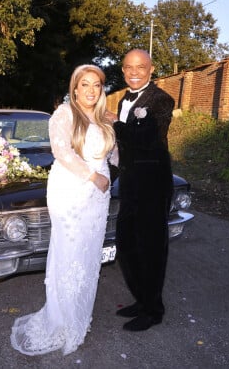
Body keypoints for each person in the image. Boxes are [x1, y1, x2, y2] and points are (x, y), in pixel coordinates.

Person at [10, 64, 117, 355]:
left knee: (88, 255)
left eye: (96, 85)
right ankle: (62, 320)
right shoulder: (64, 114)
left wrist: (122, 126)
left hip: (97, 197)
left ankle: (79, 316)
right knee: (69, 254)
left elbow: (116, 155)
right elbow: (61, 151)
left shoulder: (103, 117)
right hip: (71, 190)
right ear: (74, 87)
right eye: (85, 85)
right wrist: (94, 176)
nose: (91, 90)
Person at [112, 49, 175, 332]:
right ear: (123, 70)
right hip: (129, 182)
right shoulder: (124, 100)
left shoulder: (162, 100)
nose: (133, 72)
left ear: (151, 69)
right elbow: (123, 149)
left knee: (151, 248)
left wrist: (113, 124)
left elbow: (146, 139)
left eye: (140, 67)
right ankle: (141, 298)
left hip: (152, 183)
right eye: (128, 67)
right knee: (126, 245)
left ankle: (153, 310)